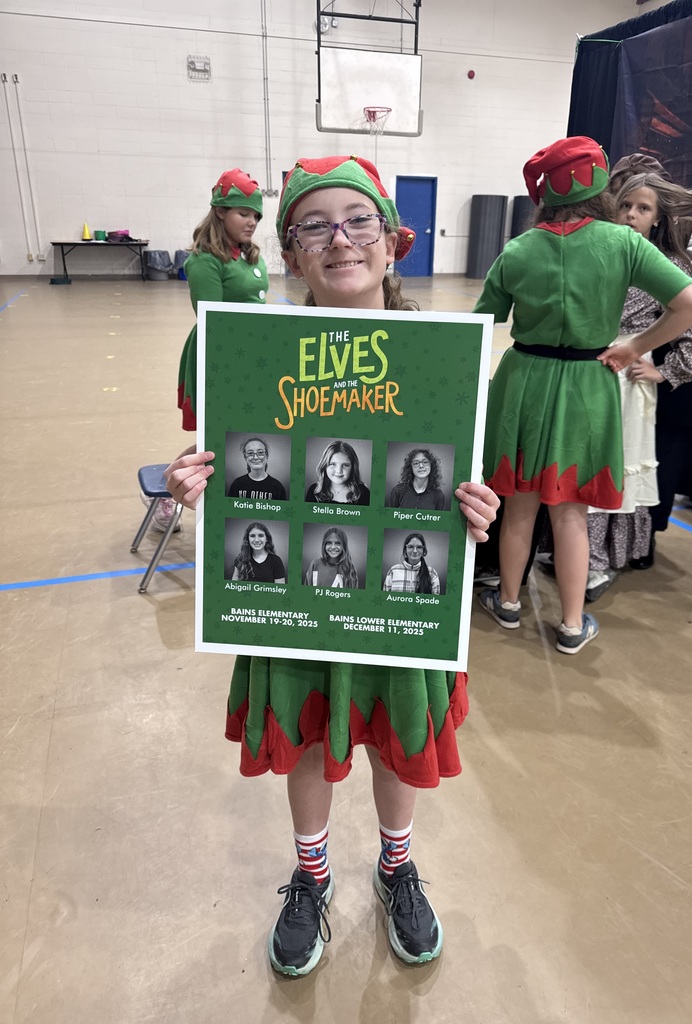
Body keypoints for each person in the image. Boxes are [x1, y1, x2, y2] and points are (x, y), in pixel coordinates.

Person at [163, 155, 499, 977]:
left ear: (393, 242)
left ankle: (396, 867)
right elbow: (238, 469)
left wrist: (477, 513)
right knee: (309, 736)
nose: (339, 238)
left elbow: (459, 479)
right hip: (291, 603)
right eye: (315, 225)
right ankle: (311, 877)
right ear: (290, 252)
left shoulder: (445, 362)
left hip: (394, 608)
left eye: (358, 220)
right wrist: (192, 485)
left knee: (394, 738)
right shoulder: (251, 354)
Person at [474, 136, 692, 654]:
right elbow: (691, 305)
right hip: (588, 384)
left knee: (519, 507)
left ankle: (508, 604)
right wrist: (635, 347)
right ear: (600, 186)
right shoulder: (622, 243)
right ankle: (573, 625)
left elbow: (477, 325)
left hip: (523, 382)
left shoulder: (518, 248)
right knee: (572, 512)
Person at [611, 172, 692, 572]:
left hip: (628, 378)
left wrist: (667, 370)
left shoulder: (666, 262)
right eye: (625, 206)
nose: (631, 215)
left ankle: (620, 550)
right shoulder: (602, 253)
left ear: (657, 218)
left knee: (623, 463)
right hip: (588, 373)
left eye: (643, 208)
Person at [178, 168, 269, 432]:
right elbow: (213, 323)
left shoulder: (250, 255)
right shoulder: (205, 260)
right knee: (224, 426)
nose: (252, 222)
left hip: (252, 345)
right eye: (243, 213)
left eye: (256, 216)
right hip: (224, 350)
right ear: (220, 211)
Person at [609, 153, 692, 298]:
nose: (631, 214)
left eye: (643, 207)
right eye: (624, 203)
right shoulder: (601, 234)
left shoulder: (685, 236)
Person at [305, 440, 370, 504]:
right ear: (324, 466)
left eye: (345, 465)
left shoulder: (363, 492)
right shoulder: (314, 491)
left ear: (353, 468)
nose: (339, 471)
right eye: (333, 464)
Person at [228, 436, 287, 500]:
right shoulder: (237, 484)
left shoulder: (278, 487)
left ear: (267, 456)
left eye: (260, 452)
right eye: (250, 453)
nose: (255, 457)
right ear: (245, 458)